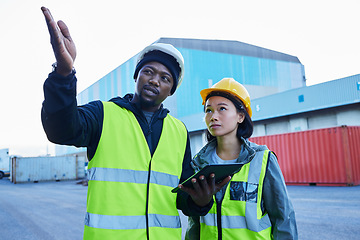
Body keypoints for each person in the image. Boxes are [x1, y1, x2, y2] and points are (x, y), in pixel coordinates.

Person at [40, 6, 230, 240]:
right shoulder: (103, 114)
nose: (154, 80)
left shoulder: (178, 131)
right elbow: (60, 129)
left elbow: (182, 196)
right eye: (148, 71)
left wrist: (200, 202)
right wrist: (63, 73)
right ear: (136, 76)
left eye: (165, 78)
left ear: (171, 90)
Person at [183, 78, 298, 239]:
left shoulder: (263, 160)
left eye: (222, 109)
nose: (213, 116)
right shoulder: (198, 164)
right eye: (208, 110)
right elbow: (194, 223)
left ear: (240, 116)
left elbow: (283, 219)